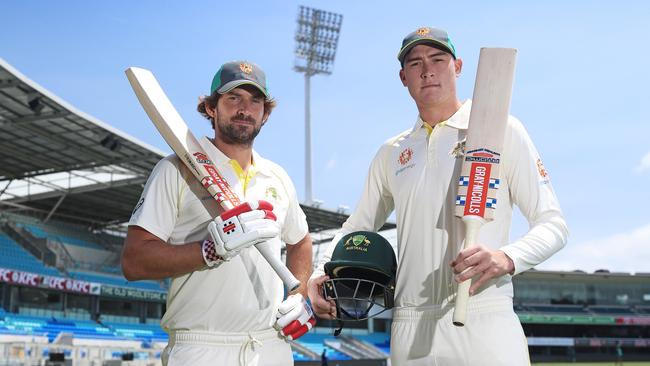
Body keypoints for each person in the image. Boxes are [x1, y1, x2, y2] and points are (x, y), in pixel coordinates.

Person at [308, 26, 569, 365]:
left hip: (482, 315)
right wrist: (318, 271)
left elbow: (553, 225)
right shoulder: (392, 152)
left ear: (457, 66)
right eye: (415, 63)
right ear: (403, 77)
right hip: (409, 326)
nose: (427, 69)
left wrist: (506, 257)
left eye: (437, 59)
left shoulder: (502, 129)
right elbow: (355, 229)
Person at [122, 60, 315, 366]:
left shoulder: (277, 176)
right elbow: (134, 262)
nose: (245, 109)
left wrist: (298, 294)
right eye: (233, 98)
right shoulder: (175, 170)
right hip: (201, 347)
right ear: (212, 108)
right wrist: (207, 252)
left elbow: (301, 241)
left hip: (271, 345)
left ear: (265, 114)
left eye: (255, 101)